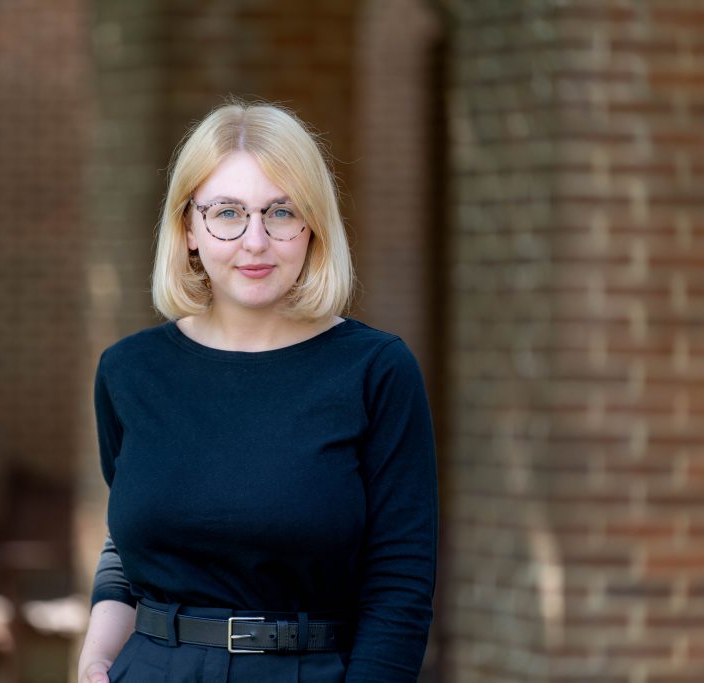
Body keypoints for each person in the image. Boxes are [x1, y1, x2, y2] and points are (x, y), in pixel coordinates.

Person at [77, 101, 438, 683]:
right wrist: (95, 656)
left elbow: (400, 582)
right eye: (226, 213)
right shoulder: (128, 371)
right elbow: (128, 544)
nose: (255, 241)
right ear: (188, 228)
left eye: (281, 212)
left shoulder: (375, 370)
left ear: (314, 225)